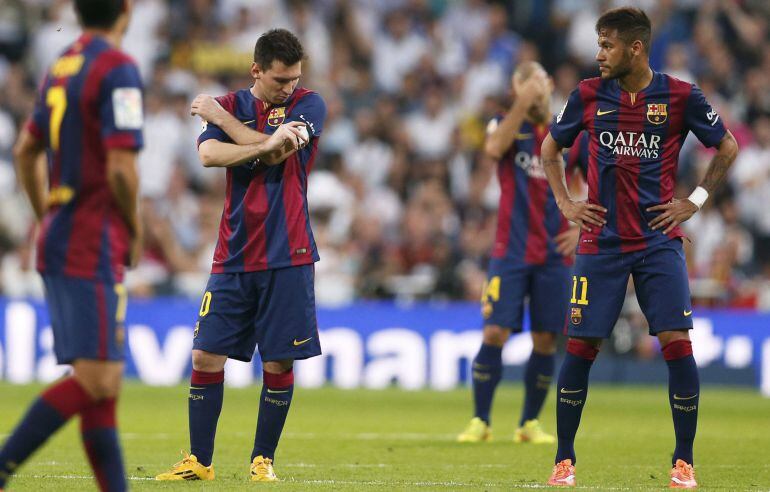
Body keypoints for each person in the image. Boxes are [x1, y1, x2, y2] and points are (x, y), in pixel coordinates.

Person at [540, 7, 738, 488]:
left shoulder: (679, 95)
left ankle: (683, 461)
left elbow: (727, 146)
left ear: (635, 47)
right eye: (598, 44)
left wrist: (694, 200)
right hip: (601, 241)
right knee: (582, 346)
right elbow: (551, 148)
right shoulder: (587, 95)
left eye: (606, 45)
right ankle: (564, 459)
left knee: (677, 343)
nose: (598, 54)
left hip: (656, 241)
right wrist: (567, 203)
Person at [155, 28, 326, 483]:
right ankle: (199, 461)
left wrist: (227, 124)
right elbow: (210, 156)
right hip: (232, 253)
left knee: (278, 362)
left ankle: (262, 460)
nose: (288, 88)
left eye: (293, 79)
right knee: (204, 357)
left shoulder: (309, 104)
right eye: (279, 81)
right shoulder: (235, 103)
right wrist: (262, 141)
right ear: (257, 70)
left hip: (289, 251)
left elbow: (279, 152)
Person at [0, 0, 143, 491]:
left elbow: (25, 150)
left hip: (65, 229)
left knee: (103, 385)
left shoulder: (61, 65)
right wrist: (135, 229)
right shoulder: (119, 68)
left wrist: (47, 215)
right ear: (125, 10)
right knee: (96, 380)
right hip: (94, 235)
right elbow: (122, 169)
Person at [457, 61, 587, 445]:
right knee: (495, 330)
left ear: (549, 85)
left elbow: (599, 179)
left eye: (539, 82)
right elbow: (494, 147)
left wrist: (581, 226)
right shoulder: (505, 123)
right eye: (525, 84)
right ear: (516, 88)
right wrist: (521, 103)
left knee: (546, 339)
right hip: (510, 250)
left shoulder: (568, 132)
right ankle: (480, 420)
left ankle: (529, 423)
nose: (534, 90)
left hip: (554, 253)